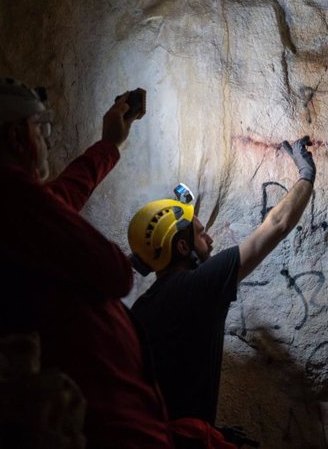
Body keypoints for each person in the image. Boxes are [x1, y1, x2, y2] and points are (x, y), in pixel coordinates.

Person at [0, 74, 174, 449]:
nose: (41, 139)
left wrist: (109, 145)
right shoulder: (1, 193)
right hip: (106, 418)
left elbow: (60, 197)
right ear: (16, 136)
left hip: (104, 411)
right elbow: (113, 271)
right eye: (36, 128)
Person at [127, 136, 316, 429]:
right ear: (180, 247)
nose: (210, 239)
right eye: (201, 234)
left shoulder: (141, 308)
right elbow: (277, 225)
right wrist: (306, 175)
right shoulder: (198, 286)